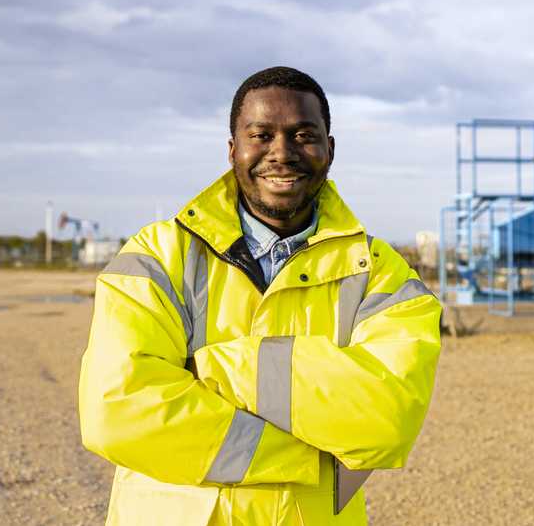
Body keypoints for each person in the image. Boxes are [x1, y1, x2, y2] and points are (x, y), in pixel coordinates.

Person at [79, 66, 442, 525]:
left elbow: (387, 417)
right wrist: (302, 462)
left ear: (330, 149)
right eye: (261, 134)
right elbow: (116, 412)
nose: (282, 153)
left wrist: (216, 368)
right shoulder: (158, 255)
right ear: (233, 150)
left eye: (303, 135)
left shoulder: (379, 273)